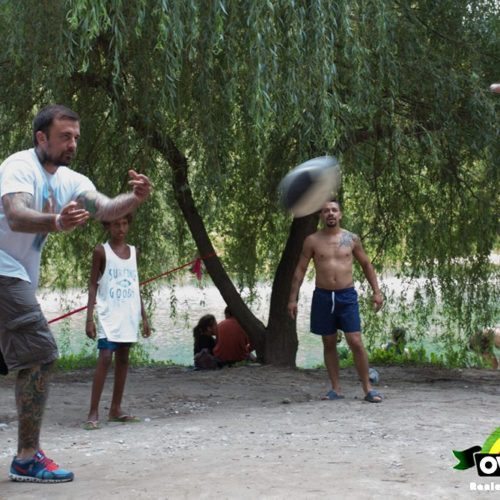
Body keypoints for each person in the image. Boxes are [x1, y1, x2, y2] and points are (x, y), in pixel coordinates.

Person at [0, 104, 152, 483]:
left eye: (76, 138)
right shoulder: (18, 167)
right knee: (39, 353)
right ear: (41, 137)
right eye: (65, 136)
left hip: (14, 277)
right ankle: (26, 458)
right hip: (4, 273)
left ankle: (26, 455)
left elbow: (104, 207)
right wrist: (55, 221)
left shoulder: (70, 179)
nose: (73, 144)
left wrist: (136, 198)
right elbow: (16, 215)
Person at [288, 199, 384, 403]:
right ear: (321, 216)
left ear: (340, 214)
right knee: (328, 341)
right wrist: (292, 299)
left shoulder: (351, 239)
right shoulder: (312, 240)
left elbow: (366, 264)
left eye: (334, 210)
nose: (330, 213)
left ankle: (368, 389)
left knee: (355, 341)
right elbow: (300, 270)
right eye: (326, 211)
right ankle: (336, 388)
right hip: (323, 296)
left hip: (346, 296)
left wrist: (376, 292)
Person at [84, 213, 151, 430]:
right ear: (108, 226)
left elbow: (135, 284)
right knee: (105, 357)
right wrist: (89, 317)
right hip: (108, 313)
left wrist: (144, 316)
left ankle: (115, 408)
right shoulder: (100, 251)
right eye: (116, 224)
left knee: (123, 359)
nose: (120, 228)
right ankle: (93, 412)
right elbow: (93, 284)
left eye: (124, 224)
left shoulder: (133, 252)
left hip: (128, 313)